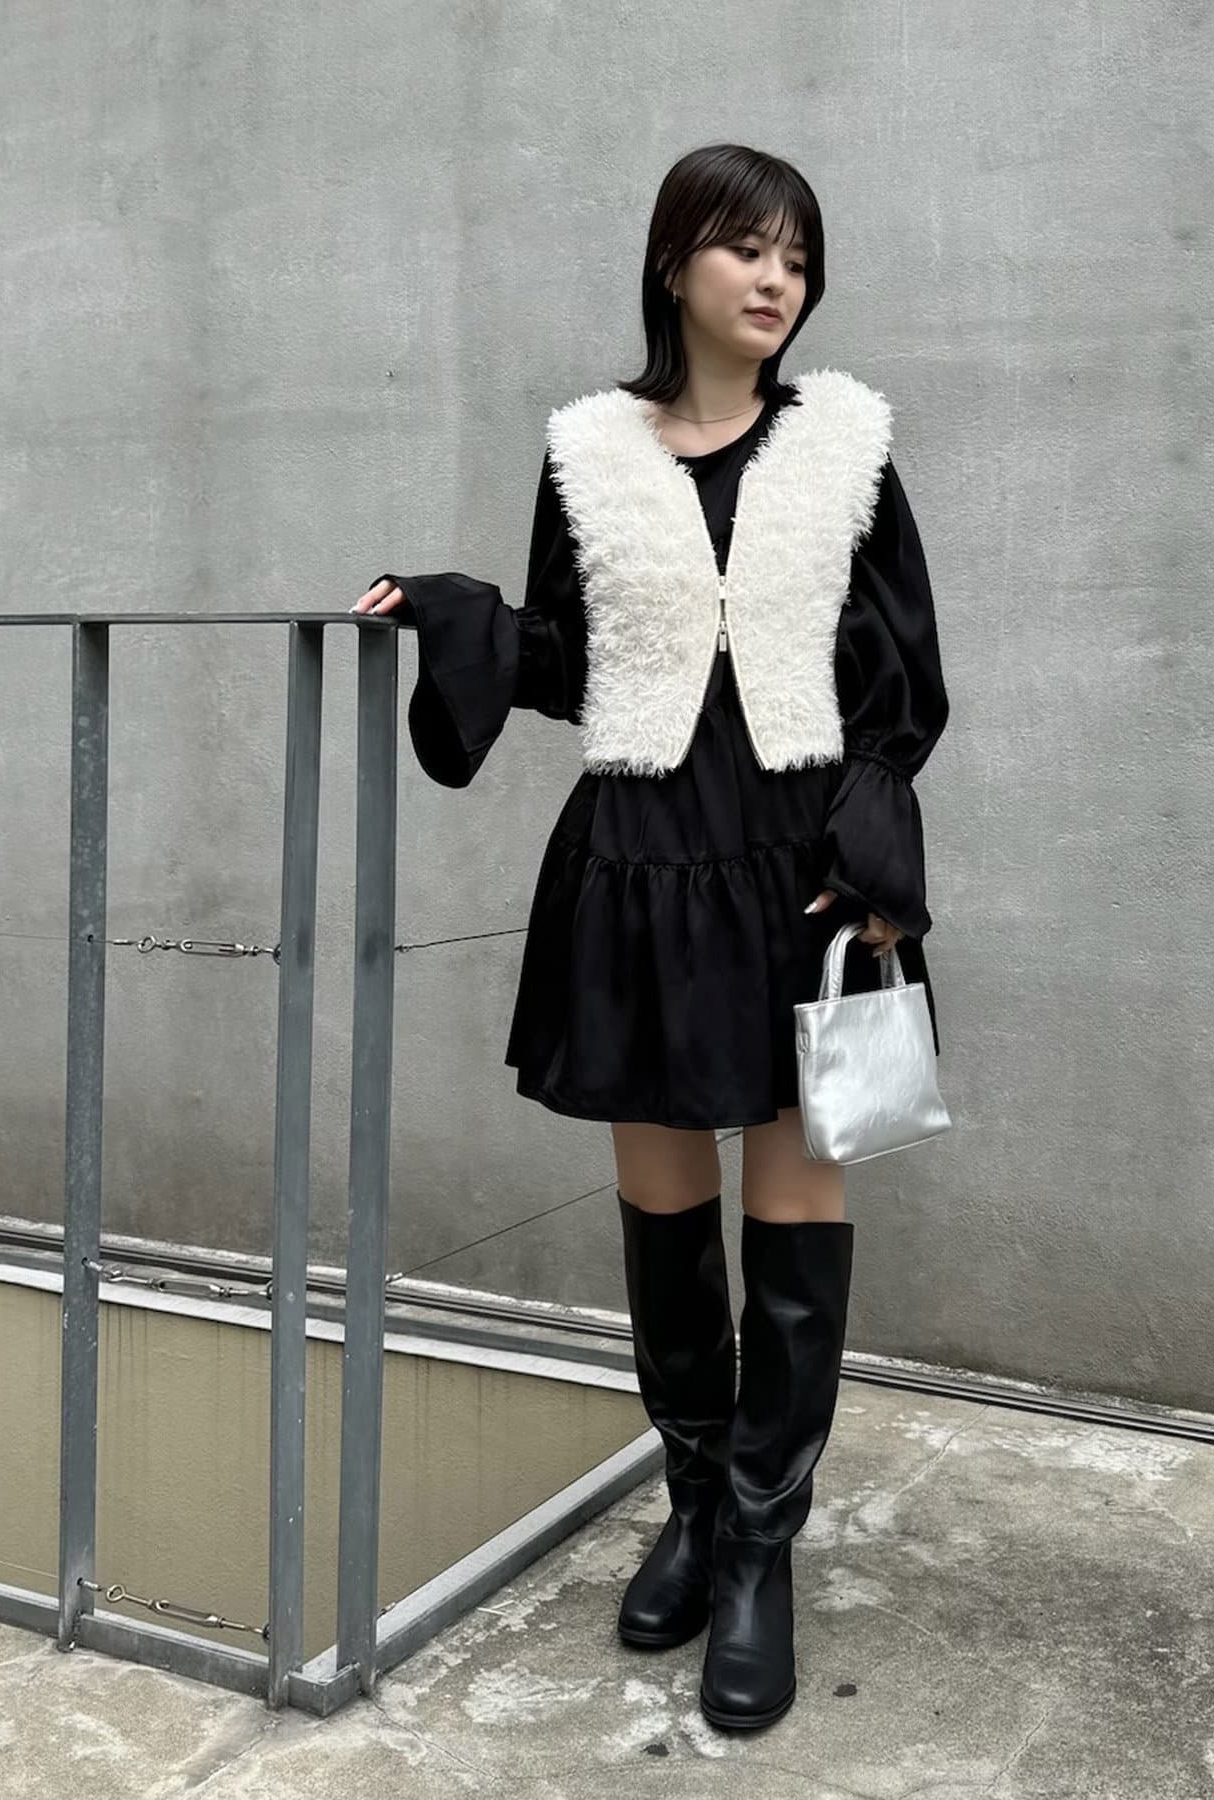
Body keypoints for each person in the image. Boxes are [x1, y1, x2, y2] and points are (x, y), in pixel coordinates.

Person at [350, 142, 949, 1733]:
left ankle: (759, 1549)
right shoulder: (589, 452)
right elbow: (574, 654)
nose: (776, 280)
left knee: (795, 1202)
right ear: (676, 260)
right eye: (748, 249)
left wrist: (875, 852)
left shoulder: (845, 444)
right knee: (666, 1209)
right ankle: (694, 1498)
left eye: (798, 258)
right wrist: (461, 615)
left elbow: (901, 678)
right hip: (637, 863)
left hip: (797, 870)